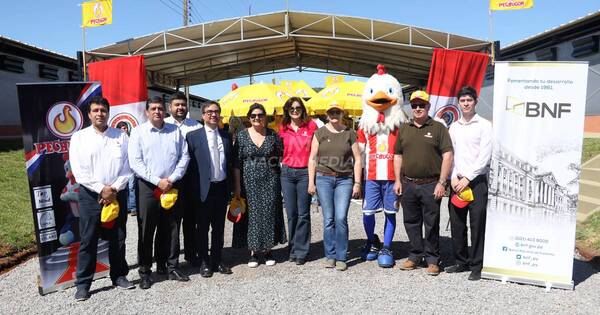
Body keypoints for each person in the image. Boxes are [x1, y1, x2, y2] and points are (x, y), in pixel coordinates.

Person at [70, 96, 134, 301]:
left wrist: (113, 188)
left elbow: (128, 166)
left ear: (108, 113)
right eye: (95, 110)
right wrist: (101, 189)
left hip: (117, 193)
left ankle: (119, 276)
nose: (100, 114)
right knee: (88, 240)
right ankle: (83, 284)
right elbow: (78, 170)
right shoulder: (79, 137)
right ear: (89, 114)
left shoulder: (121, 136)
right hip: (90, 196)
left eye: (103, 110)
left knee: (118, 237)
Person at [128, 96, 190, 289]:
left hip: (172, 185)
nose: (157, 112)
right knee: (146, 231)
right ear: (147, 112)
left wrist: (171, 179)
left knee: (171, 228)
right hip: (148, 187)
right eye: (153, 108)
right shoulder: (138, 133)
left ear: (165, 111)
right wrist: (158, 181)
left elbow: (184, 157)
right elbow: (135, 163)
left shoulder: (175, 131)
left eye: (160, 108)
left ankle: (171, 267)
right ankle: (145, 271)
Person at [393, 90, 453, 276]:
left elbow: (448, 155)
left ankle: (433, 259)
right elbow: (397, 155)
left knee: (431, 223)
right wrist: (397, 180)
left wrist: (442, 183)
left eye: (421, 105)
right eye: (414, 105)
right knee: (411, 222)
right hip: (408, 183)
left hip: (431, 184)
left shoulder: (438, 128)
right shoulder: (404, 128)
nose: (418, 108)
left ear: (428, 107)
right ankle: (415, 256)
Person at [445, 86, 493, 281]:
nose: (466, 103)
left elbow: (485, 156)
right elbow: (451, 154)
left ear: (475, 101)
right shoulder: (454, 127)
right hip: (457, 181)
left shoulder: (484, 125)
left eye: (469, 100)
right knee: (457, 223)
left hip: (477, 182)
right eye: (462, 100)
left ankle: (477, 265)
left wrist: (468, 177)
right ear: (458, 102)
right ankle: (461, 261)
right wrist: (454, 176)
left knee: (477, 224)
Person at [308, 102, 362, 271]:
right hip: (323, 178)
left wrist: (357, 183)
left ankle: (341, 256)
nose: (334, 115)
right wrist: (311, 182)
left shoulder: (349, 133)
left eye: (337, 112)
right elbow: (312, 158)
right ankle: (330, 255)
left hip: (344, 180)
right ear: (327, 114)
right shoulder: (319, 133)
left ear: (342, 114)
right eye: (331, 112)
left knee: (340, 218)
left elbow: (358, 159)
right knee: (328, 219)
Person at [232, 103, 287, 268]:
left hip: (270, 180)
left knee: (269, 214)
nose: (257, 118)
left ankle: (268, 250)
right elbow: (236, 164)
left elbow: (281, 156)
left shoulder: (273, 135)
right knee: (252, 216)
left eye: (260, 115)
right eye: (254, 116)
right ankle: (254, 252)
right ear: (249, 118)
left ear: (265, 117)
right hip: (248, 182)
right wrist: (237, 187)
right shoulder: (241, 136)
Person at [186, 101, 233, 277]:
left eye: (216, 111)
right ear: (203, 115)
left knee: (219, 228)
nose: (213, 114)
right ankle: (204, 261)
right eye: (210, 112)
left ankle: (217, 260)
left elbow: (229, 163)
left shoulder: (226, 136)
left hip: (221, 188)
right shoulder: (193, 137)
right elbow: (189, 167)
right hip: (202, 190)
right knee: (202, 228)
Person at [163, 92, 202, 267]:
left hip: (192, 180)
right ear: (169, 107)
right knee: (171, 222)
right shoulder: (164, 126)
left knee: (191, 219)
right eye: (176, 105)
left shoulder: (196, 126)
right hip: (170, 181)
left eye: (183, 105)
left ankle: (191, 254)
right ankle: (169, 259)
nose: (180, 108)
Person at [278, 97, 318, 265]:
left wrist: (312, 179)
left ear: (303, 109)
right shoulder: (282, 128)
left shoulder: (311, 127)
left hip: (304, 173)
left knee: (303, 214)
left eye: (298, 107)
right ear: (287, 110)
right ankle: (292, 247)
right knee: (291, 214)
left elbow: (316, 153)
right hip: (286, 173)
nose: (295, 110)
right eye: (291, 108)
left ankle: (301, 251)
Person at [116, 121, 137, 216]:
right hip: (120, 168)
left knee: (132, 187)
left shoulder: (132, 137)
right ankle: (127, 207)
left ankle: (133, 208)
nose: (124, 130)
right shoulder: (115, 139)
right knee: (123, 188)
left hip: (131, 167)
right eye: (122, 128)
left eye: (125, 128)